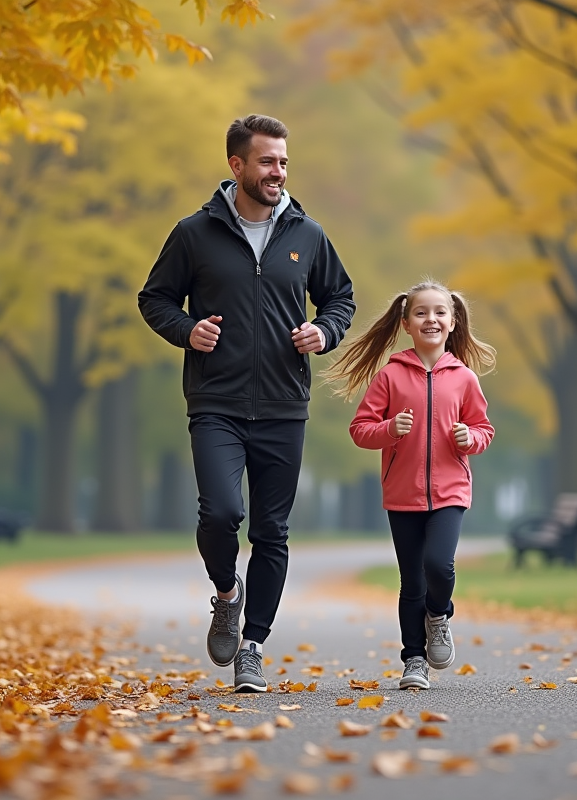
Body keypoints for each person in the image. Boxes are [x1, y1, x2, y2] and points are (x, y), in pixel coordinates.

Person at [137, 114, 355, 692]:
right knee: (221, 513)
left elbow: (340, 297)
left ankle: (252, 648)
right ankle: (227, 593)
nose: (278, 171)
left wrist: (325, 332)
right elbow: (155, 298)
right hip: (216, 399)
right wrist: (187, 330)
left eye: (283, 161)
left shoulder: (307, 234)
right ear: (237, 166)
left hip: (284, 403)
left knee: (272, 531)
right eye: (266, 161)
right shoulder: (194, 233)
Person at [322, 279, 495, 690]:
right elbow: (360, 429)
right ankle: (414, 660)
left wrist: (469, 438)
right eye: (421, 312)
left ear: (453, 322)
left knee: (439, 566)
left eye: (439, 312)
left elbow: (483, 429)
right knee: (411, 581)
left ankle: (439, 614)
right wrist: (389, 429)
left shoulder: (464, 378)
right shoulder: (390, 376)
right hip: (402, 494)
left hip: (451, 491)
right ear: (406, 323)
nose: (430, 319)